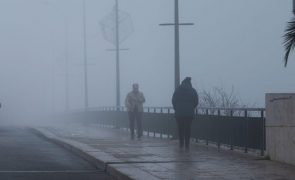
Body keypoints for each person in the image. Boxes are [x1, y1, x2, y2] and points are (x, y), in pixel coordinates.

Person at [172, 77, 198, 150]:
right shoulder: (193, 91)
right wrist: (191, 107)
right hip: (189, 113)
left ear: (182, 83)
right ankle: (187, 144)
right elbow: (196, 101)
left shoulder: (177, 90)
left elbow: (173, 100)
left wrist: (176, 108)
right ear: (189, 83)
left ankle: (181, 143)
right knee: (187, 128)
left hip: (179, 113)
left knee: (180, 128)